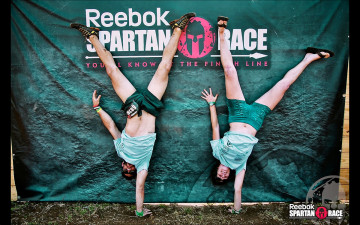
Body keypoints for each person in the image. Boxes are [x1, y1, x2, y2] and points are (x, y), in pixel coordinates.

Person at [201, 16, 334, 214]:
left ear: (216, 170)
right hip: (256, 118)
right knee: (284, 85)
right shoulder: (240, 166)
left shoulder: (217, 152)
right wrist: (236, 211)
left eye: (218, 174)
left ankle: (221, 34)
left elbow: (215, 128)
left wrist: (212, 104)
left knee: (229, 71)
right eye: (224, 177)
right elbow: (238, 189)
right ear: (227, 176)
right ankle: (309, 57)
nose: (222, 174)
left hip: (237, 115)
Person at [71, 12, 195, 217]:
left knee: (112, 71)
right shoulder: (143, 165)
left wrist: (97, 108)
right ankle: (178, 28)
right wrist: (139, 211)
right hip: (150, 109)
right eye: (131, 171)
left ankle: (92, 35)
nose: (129, 168)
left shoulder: (120, 150)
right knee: (165, 66)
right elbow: (139, 188)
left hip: (133, 107)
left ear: (122, 166)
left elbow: (111, 127)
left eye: (126, 170)